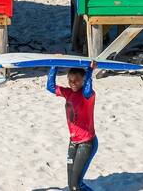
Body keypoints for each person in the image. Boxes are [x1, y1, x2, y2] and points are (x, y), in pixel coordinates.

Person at [47, 60, 98, 191]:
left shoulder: (88, 95)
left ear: (83, 80)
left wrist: (89, 71)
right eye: (70, 80)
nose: (73, 83)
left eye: (76, 80)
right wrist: (54, 65)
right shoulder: (68, 93)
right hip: (73, 142)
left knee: (76, 186)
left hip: (87, 143)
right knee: (72, 185)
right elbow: (50, 87)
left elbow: (87, 89)